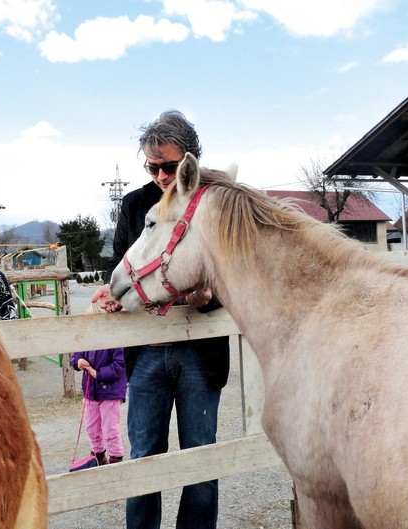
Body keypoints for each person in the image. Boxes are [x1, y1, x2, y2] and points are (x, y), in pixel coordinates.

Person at [91, 110, 230, 529]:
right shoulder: (135, 205)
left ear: (190, 160)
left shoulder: (215, 205)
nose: (160, 177)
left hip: (200, 353)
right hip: (147, 353)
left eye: (168, 167)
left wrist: (207, 297)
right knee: (143, 461)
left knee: (200, 460)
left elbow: (230, 275)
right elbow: (121, 266)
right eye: (152, 167)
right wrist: (110, 295)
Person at [69, 304, 127, 466]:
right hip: (90, 392)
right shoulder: (88, 339)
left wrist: (98, 374)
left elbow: (119, 366)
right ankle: (98, 456)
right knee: (92, 427)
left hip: (110, 393)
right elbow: (76, 355)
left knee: (110, 429)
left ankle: (116, 458)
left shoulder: (115, 341)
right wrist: (78, 361)